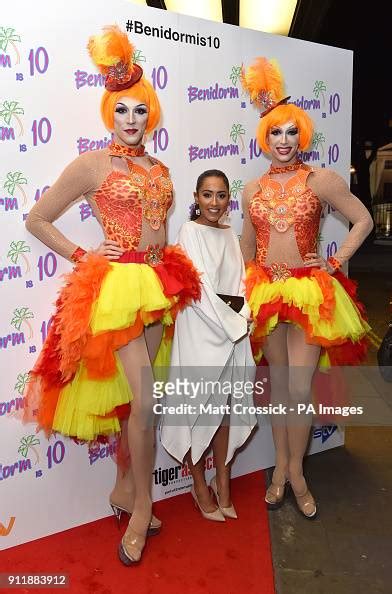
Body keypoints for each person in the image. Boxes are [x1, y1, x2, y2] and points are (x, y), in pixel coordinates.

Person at [22, 26, 200, 564]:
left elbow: (160, 232)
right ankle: (144, 507)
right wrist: (83, 256)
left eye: (140, 111)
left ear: (151, 116)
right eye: (122, 111)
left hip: (158, 284)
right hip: (118, 287)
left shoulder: (160, 167)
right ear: (110, 114)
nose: (131, 120)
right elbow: (37, 219)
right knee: (145, 401)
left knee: (137, 405)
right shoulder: (92, 165)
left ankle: (124, 487)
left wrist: (170, 275)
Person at [240, 57, 373, 518]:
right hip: (265, 292)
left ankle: (296, 473)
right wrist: (242, 290)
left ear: (302, 135)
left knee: (299, 390)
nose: (283, 141)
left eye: (290, 132)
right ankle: (281, 471)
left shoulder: (321, 180)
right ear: (265, 137)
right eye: (275, 132)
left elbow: (363, 219)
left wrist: (335, 262)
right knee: (280, 388)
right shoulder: (251, 188)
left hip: (309, 292)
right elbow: (247, 245)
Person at [161, 170, 257, 521]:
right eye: (207, 194)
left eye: (220, 195)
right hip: (201, 328)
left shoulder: (230, 233)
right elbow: (198, 289)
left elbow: (241, 282)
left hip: (233, 328)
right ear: (196, 197)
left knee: (226, 411)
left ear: (228, 199)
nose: (214, 203)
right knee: (199, 407)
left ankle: (224, 481)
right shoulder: (189, 232)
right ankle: (199, 484)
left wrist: (245, 312)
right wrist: (236, 321)